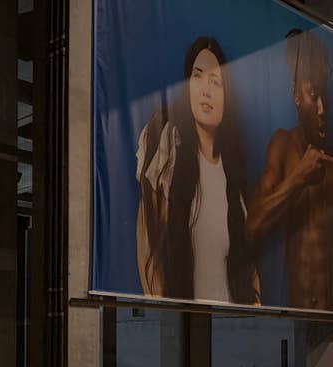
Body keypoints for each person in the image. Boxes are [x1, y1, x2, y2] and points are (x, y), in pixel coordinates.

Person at [136, 36, 260, 304]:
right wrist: (166, 318)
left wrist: (256, 314)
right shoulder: (168, 153)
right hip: (185, 324)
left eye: (216, 82)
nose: (206, 90)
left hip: (234, 322)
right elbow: (148, 254)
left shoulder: (233, 179)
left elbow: (250, 272)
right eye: (198, 76)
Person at [247, 28, 333, 311]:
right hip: (297, 320)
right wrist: (299, 178)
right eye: (313, 96)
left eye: (325, 97)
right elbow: (252, 228)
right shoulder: (283, 146)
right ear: (296, 95)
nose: (322, 109)